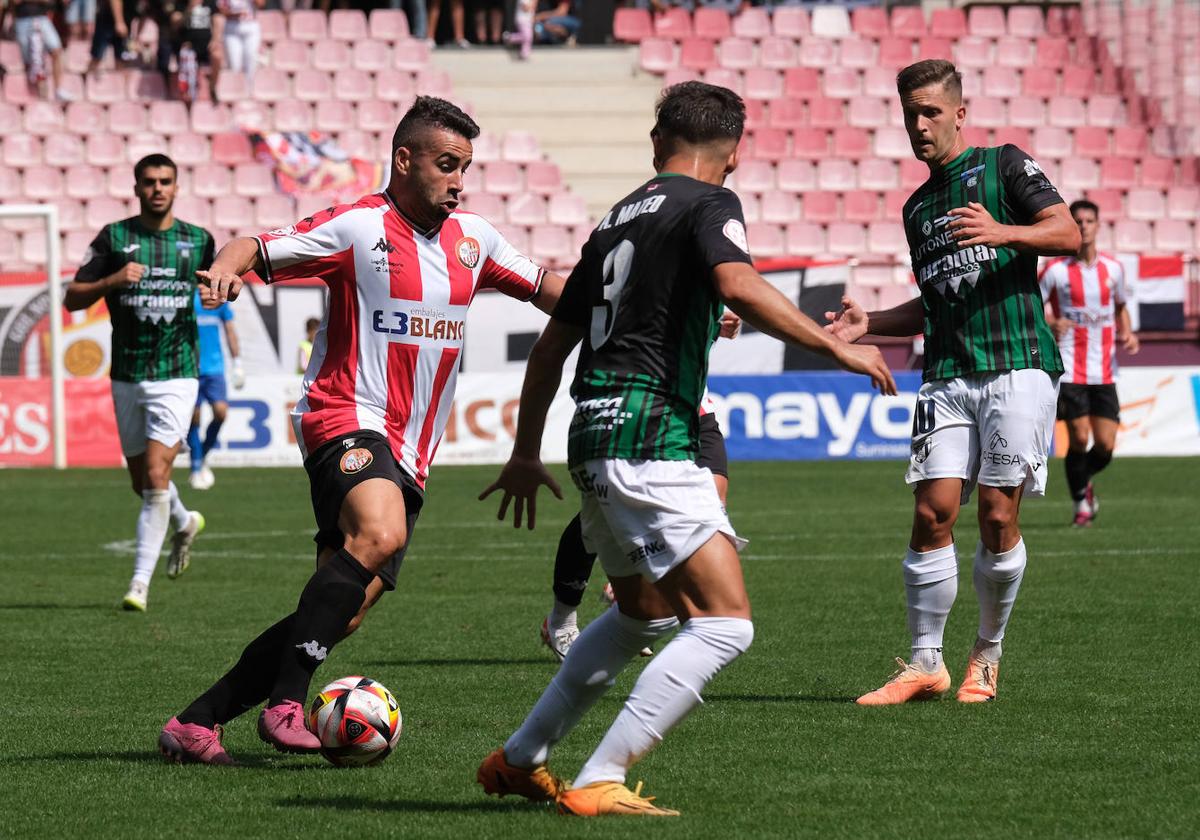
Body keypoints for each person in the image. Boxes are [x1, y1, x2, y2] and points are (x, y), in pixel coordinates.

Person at [477, 81, 895, 816]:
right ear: (734, 153)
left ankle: (520, 758)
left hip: (591, 431)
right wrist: (834, 346)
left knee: (641, 615)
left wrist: (522, 451)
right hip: (653, 434)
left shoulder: (613, 221)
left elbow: (549, 352)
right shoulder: (708, 204)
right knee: (726, 624)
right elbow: (739, 284)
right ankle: (601, 775)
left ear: (655, 142)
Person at [156, 96, 567, 766]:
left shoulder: (476, 241)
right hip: (343, 413)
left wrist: (643, 311)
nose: (459, 180)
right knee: (380, 533)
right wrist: (229, 270)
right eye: (446, 164)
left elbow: (557, 294)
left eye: (465, 167)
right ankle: (287, 703)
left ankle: (194, 723)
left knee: (338, 614)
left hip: (413, 450)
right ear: (404, 159)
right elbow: (256, 248)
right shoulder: (357, 227)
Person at [824, 59, 1081, 706]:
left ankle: (986, 659)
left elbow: (1069, 233)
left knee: (997, 515)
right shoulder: (918, 207)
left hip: (1017, 364)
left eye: (931, 112)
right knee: (932, 512)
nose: (919, 124)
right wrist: (873, 323)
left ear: (959, 114)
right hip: (946, 371)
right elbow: (937, 297)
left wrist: (1005, 232)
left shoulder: (1004, 165)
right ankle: (925, 663)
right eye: (910, 113)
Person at [63, 153, 214, 611]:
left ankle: (138, 585)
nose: (157, 189)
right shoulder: (116, 238)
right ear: (136, 187)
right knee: (142, 482)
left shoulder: (198, 240)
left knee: (153, 477)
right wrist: (112, 279)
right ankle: (185, 520)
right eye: (149, 182)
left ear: (176, 187)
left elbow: (221, 283)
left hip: (177, 372)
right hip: (127, 372)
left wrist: (217, 289)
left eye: (165, 181)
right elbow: (71, 298)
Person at [1039, 200, 1138, 527]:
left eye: (1089, 220)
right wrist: (1050, 323)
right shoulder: (1055, 271)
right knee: (1079, 438)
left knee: (1106, 446)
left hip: (1105, 370)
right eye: (1077, 220)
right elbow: (1032, 308)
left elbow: (1121, 305)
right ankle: (1081, 501)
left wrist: (1128, 331)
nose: (1083, 226)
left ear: (1098, 226)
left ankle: (1082, 480)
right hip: (1069, 368)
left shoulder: (1113, 269)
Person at [187, 288, 243, 490]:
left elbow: (229, 330)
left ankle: (201, 454)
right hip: (190, 367)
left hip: (215, 368)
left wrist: (237, 362)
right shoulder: (187, 299)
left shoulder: (218, 300)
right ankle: (195, 466)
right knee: (194, 416)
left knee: (221, 413)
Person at [0, 0, 74, 100]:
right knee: (30, 63)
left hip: (42, 19)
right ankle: (35, 96)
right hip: (22, 20)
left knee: (56, 50)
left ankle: (58, 90)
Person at [216, 0, 261, 86]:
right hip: (232, 27)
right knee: (234, 65)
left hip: (250, 26)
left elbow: (261, 4)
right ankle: (236, 90)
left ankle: (249, 91)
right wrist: (233, 14)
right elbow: (221, 9)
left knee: (250, 60)